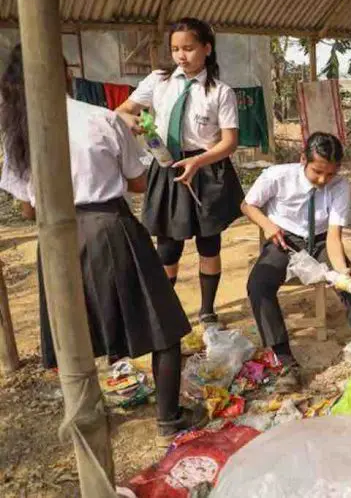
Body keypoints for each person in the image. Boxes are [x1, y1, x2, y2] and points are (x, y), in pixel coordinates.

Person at [0, 45, 201, 443]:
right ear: (65, 73)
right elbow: (137, 182)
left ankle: (87, 419)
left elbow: (25, 209)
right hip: (109, 228)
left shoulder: (17, 135)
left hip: (56, 242)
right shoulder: (100, 119)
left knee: (77, 334)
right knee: (164, 327)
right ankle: (168, 418)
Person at [116, 18, 244, 327]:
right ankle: (166, 312)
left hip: (208, 170)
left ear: (206, 49)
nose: (181, 56)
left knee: (208, 243)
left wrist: (198, 162)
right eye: (175, 49)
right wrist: (131, 122)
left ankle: (207, 311)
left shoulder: (220, 91)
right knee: (168, 245)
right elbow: (123, 110)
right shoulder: (158, 80)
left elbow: (229, 142)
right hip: (168, 167)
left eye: (188, 48)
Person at [241, 132, 351, 391]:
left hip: (322, 240)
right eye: (317, 172)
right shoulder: (277, 176)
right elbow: (248, 205)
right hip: (284, 240)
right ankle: (285, 363)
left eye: (330, 173)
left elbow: (335, 237)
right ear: (303, 158)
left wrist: (340, 272)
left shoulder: (340, 186)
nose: (323, 180)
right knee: (258, 286)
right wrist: (268, 226)